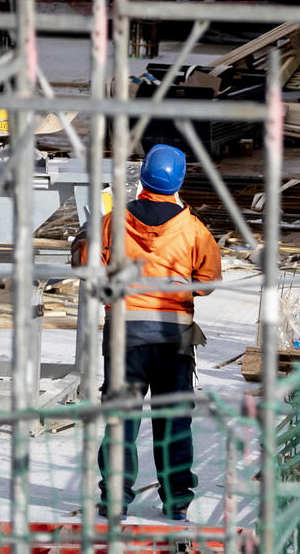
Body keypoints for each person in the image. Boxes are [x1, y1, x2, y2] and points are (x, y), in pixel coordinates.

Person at [76, 144, 221, 521]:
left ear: (142, 177)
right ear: (181, 179)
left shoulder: (113, 221)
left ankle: (114, 502)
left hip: (125, 333)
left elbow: (89, 263)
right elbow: (206, 285)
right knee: (173, 419)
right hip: (173, 336)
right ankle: (176, 503)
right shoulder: (194, 230)